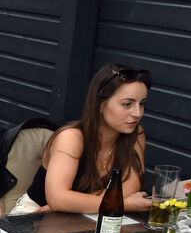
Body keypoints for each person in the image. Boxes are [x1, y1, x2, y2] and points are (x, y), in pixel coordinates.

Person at [15, 64, 151, 214]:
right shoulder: (71, 138)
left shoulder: (136, 134)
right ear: (100, 104)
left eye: (142, 104)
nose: (137, 113)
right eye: (127, 104)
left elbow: (131, 187)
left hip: (84, 215)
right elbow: (58, 199)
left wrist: (72, 204)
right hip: (35, 214)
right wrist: (124, 204)